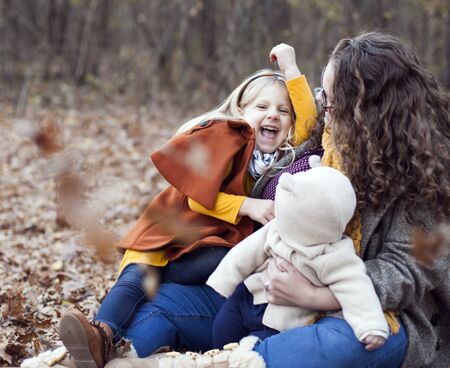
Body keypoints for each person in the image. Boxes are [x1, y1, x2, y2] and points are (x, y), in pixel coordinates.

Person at [107, 32, 449, 368]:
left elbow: (405, 271)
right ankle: (112, 354)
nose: (321, 107)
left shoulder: (421, 172)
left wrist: (315, 295)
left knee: (337, 345)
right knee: (163, 303)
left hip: (367, 313)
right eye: (322, 96)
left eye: (329, 100)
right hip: (267, 296)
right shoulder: (320, 144)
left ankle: (231, 362)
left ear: (367, 110)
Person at [59, 44, 318, 368]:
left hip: (207, 241)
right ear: (240, 111)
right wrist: (249, 206)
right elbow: (198, 195)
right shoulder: (228, 135)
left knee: (195, 274)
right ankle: (102, 334)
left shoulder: (280, 159)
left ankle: (118, 343)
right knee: (138, 279)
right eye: (262, 106)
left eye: (283, 111)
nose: (273, 115)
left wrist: (292, 69)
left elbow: (310, 124)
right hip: (169, 230)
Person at [207, 157, 388, 351]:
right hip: (250, 294)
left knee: (258, 349)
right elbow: (246, 252)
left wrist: (370, 325)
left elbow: (356, 288)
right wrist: (223, 280)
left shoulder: (334, 254)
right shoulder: (276, 228)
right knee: (222, 333)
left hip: (284, 319)